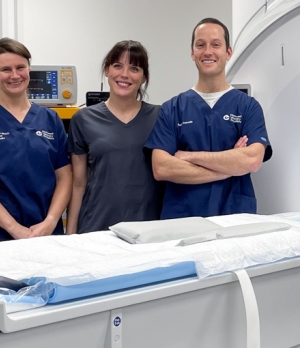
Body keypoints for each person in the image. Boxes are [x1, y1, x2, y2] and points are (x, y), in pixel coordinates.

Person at [145, 18, 269, 218]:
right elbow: (162, 167)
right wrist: (231, 166)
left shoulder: (248, 107)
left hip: (234, 216)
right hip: (183, 218)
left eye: (216, 44)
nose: (208, 51)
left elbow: (252, 160)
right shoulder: (172, 109)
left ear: (228, 52)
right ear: (192, 52)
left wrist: (189, 156)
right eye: (200, 45)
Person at [0, 38, 71, 244]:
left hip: (43, 232)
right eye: (6, 69)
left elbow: (64, 178)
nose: (15, 75)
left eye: (21, 67)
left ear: (29, 68)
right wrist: (13, 228)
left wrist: (52, 220)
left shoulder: (50, 119)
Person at [66, 41, 162, 233]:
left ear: (143, 77)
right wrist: (70, 235)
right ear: (107, 70)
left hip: (148, 229)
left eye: (134, 68)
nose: (124, 74)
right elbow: (78, 183)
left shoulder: (160, 117)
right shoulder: (83, 119)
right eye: (117, 66)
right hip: (96, 227)